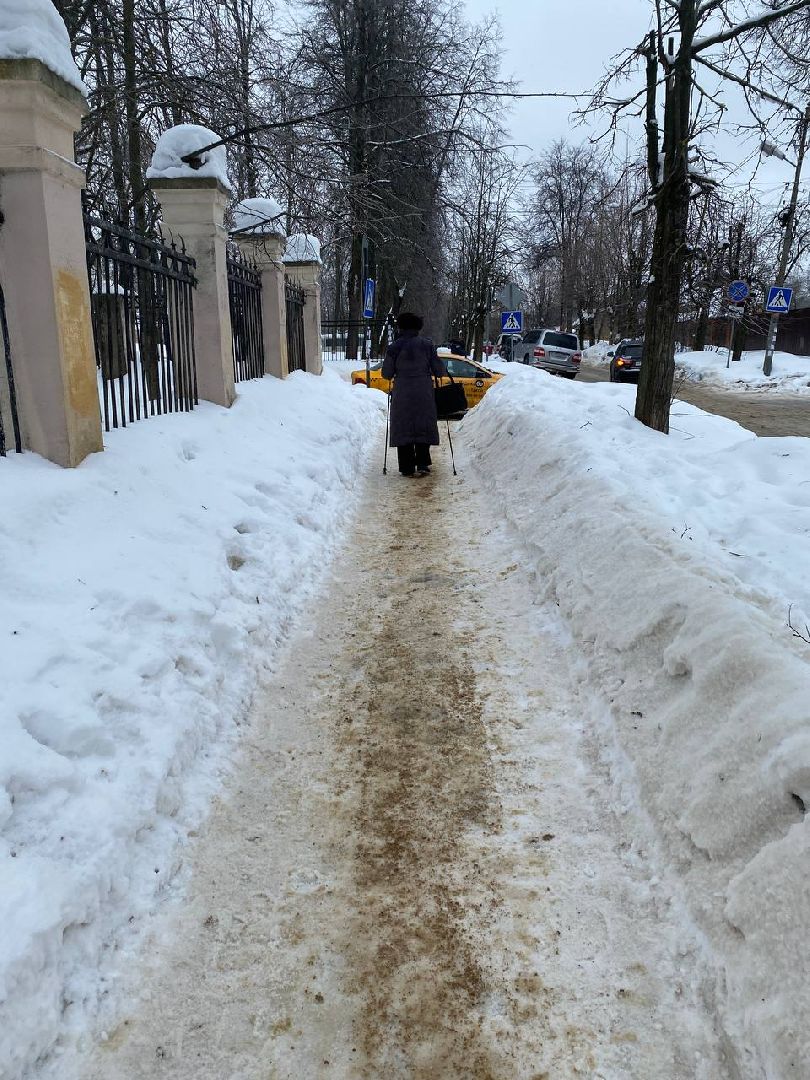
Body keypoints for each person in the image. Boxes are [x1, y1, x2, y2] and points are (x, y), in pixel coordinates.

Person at [382, 312, 446, 477]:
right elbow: (439, 371)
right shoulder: (427, 345)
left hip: (402, 393)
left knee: (404, 426)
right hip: (423, 392)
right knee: (422, 424)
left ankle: (406, 466)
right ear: (418, 326)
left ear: (400, 327)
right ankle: (423, 463)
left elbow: (386, 374)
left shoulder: (394, 347)